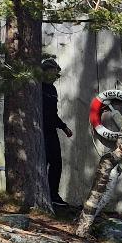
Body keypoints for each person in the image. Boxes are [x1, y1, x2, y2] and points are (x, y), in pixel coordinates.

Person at [41, 58, 73, 207]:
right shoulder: (37, 87)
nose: (55, 77)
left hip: (51, 130)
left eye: (57, 75)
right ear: (45, 72)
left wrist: (64, 127)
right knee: (43, 161)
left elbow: (53, 113)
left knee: (57, 163)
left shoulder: (52, 90)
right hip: (40, 130)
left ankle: (53, 194)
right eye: (54, 74)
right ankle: (42, 193)